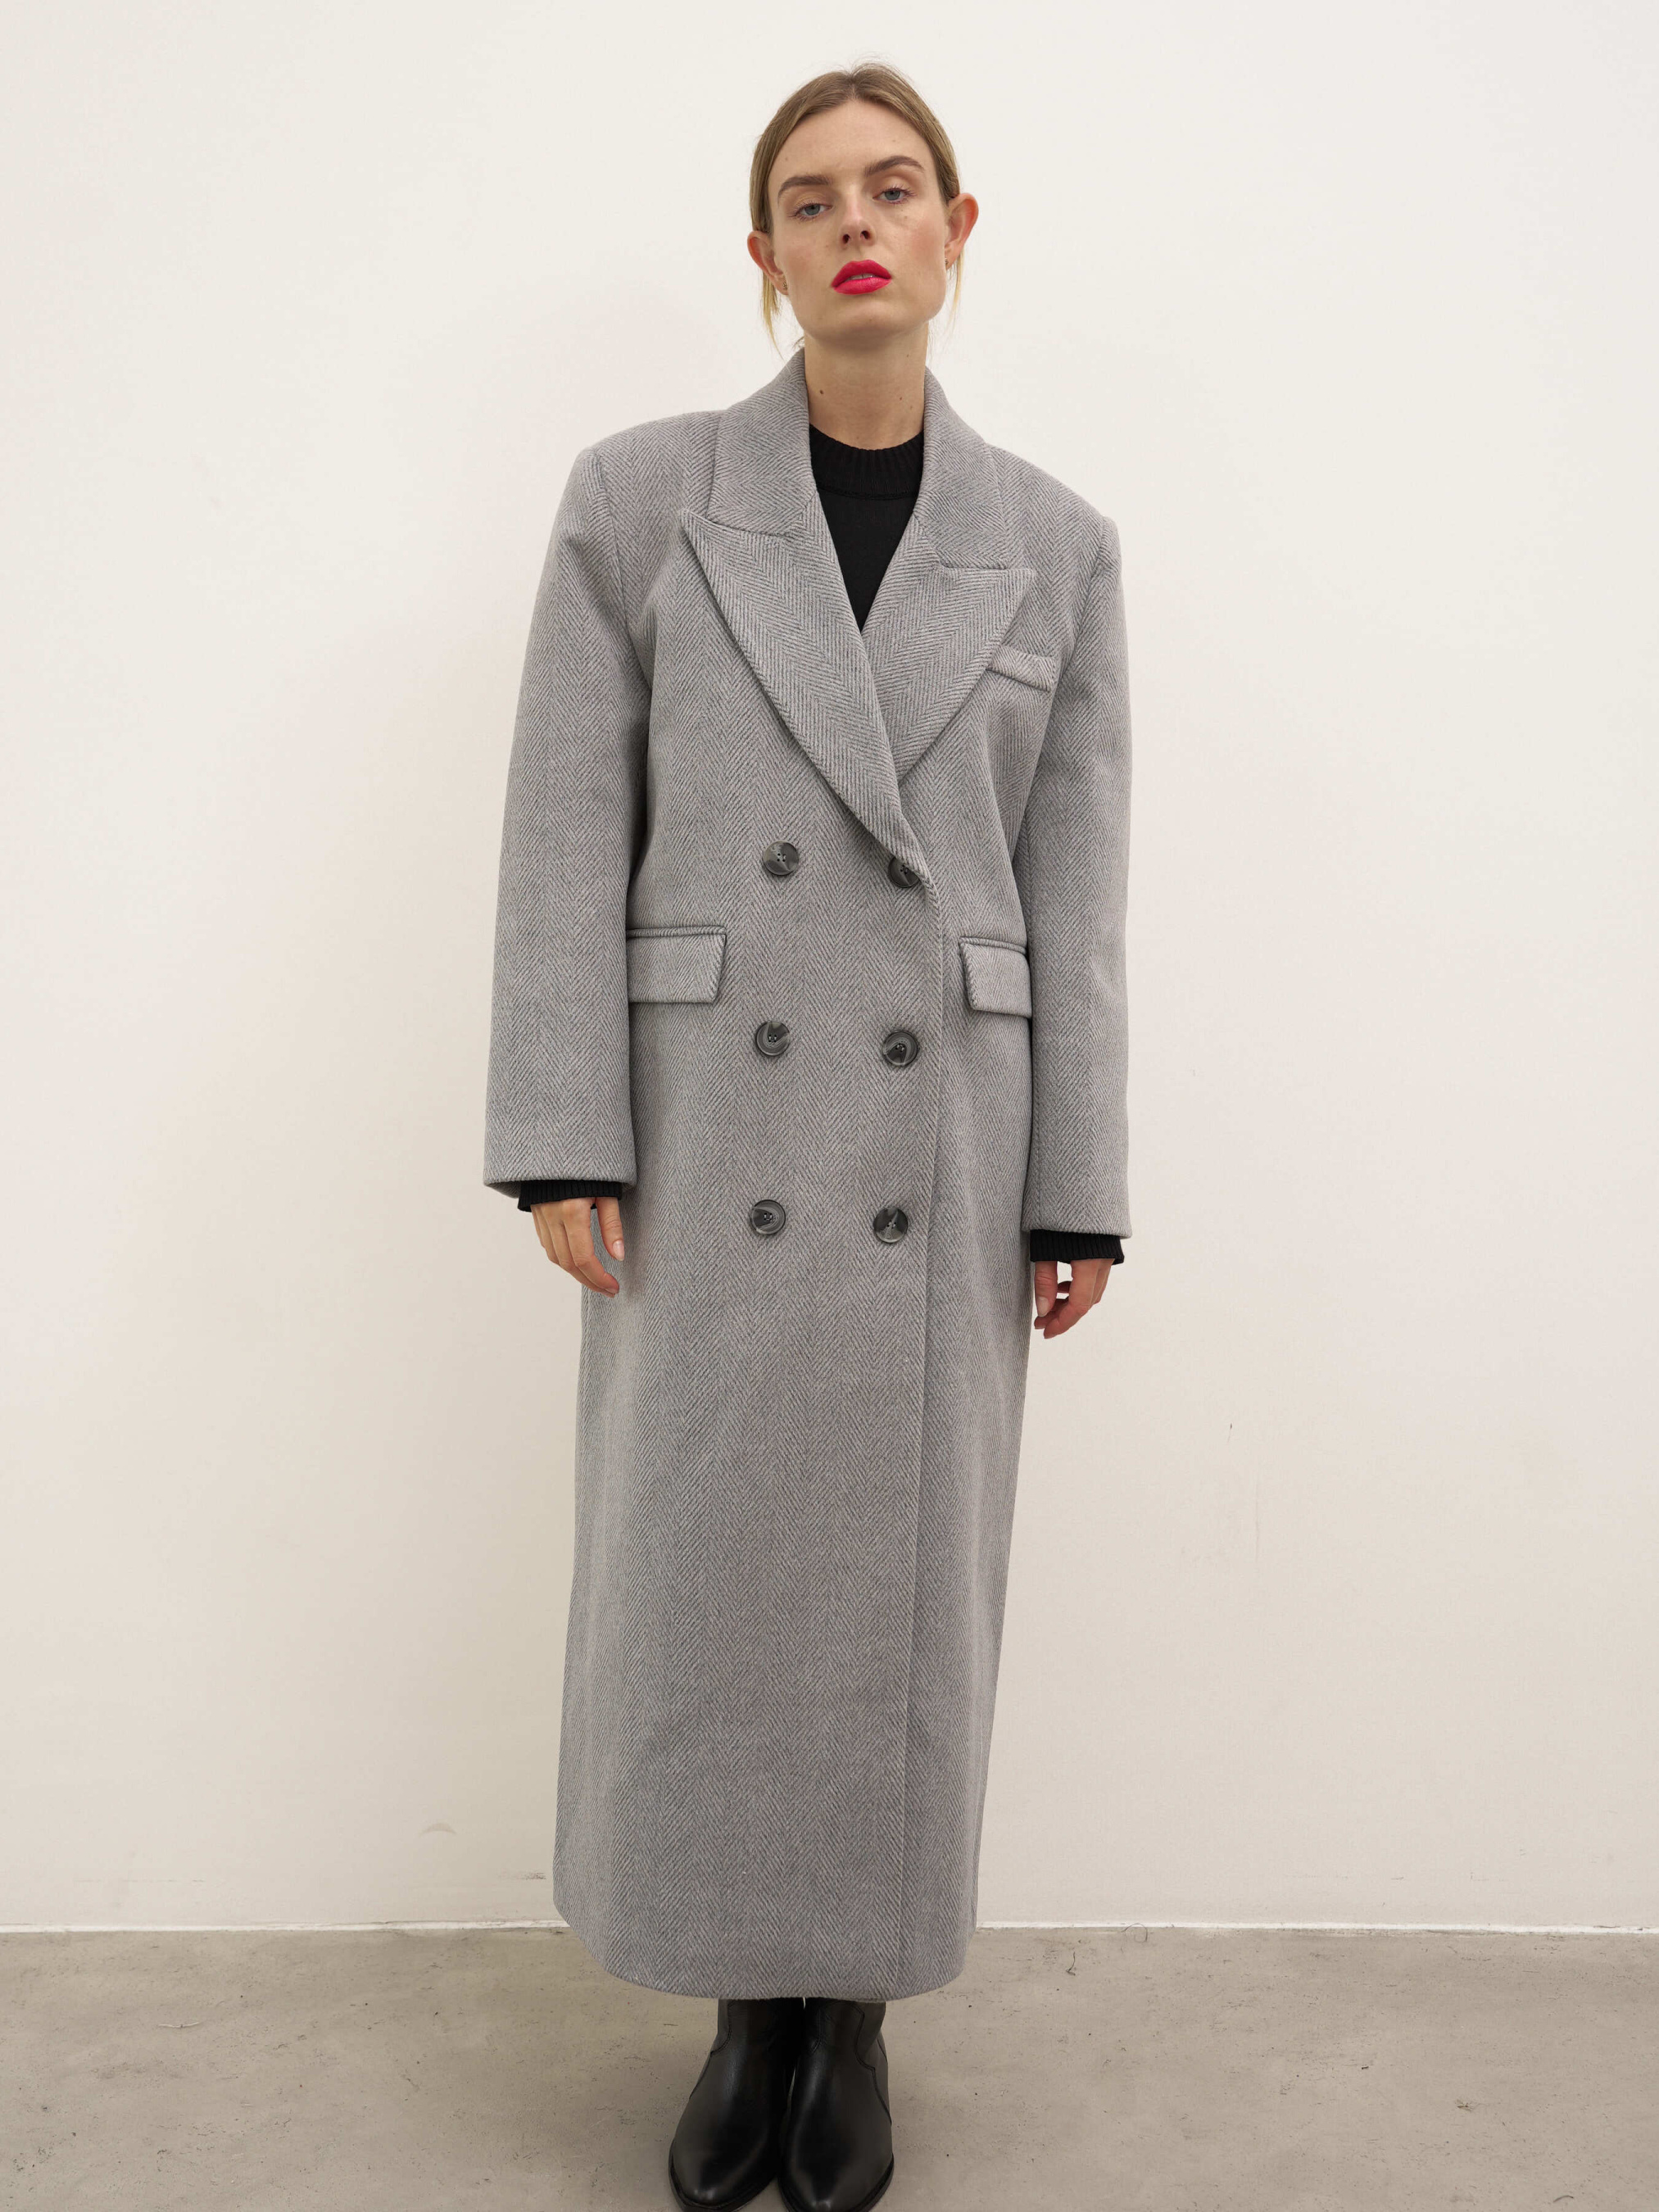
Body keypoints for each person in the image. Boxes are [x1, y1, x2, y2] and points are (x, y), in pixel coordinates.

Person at [483, 60, 1132, 2212]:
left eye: (894, 187)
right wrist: (563, 1129)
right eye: (810, 198)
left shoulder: (1054, 545)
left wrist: (1079, 1175)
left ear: (957, 228)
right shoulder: (638, 500)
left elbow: (1072, 893)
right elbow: (563, 832)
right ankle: (737, 2005)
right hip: (704, 1140)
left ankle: (846, 2018)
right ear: (760, 255)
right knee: (702, 1580)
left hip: (940, 1148)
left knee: (900, 1602)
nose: (856, 223)